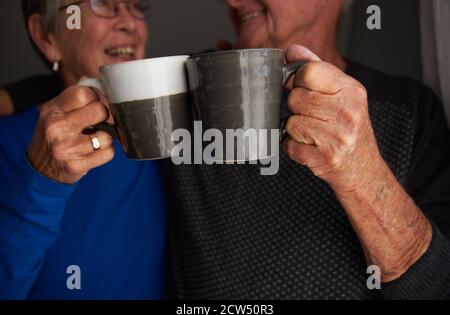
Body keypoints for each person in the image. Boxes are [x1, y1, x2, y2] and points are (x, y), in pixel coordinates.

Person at [164, 0, 450, 299]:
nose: (232, 2)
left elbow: (439, 288)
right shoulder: (192, 93)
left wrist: (361, 173)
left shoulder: (410, 110)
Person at [0, 0, 167, 299]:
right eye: (101, 3)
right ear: (46, 36)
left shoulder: (167, 124)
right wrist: (42, 178)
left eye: (136, 6)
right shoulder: (7, 144)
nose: (129, 23)